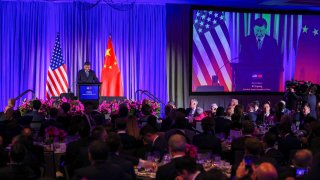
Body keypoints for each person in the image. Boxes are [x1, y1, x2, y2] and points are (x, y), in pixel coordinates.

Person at [238, 18, 282, 91]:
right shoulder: (246, 40)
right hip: (249, 75)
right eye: (257, 30)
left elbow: (276, 60)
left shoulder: (272, 42)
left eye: (261, 30)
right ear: (253, 29)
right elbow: (242, 57)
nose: (259, 32)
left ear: (266, 29)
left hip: (267, 75)